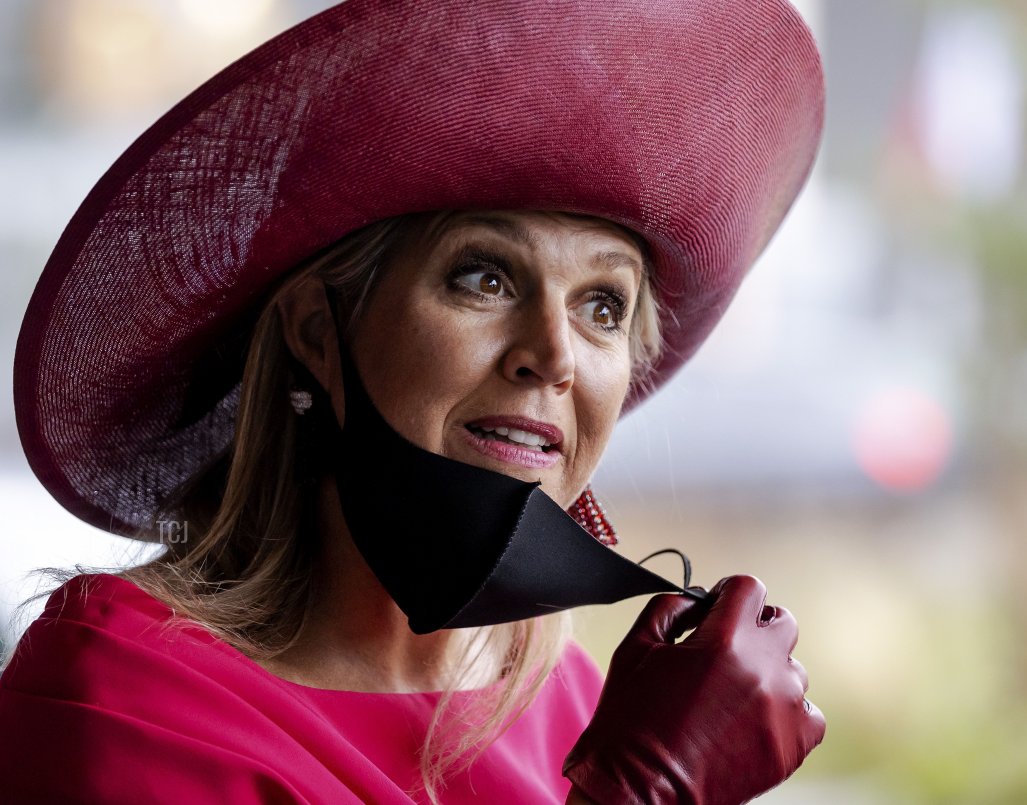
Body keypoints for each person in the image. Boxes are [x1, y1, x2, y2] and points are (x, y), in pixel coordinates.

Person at [1, 1, 827, 803]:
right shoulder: (124, 693)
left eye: (602, 304)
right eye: (485, 276)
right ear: (319, 333)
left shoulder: (573, 702)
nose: (553, 354)